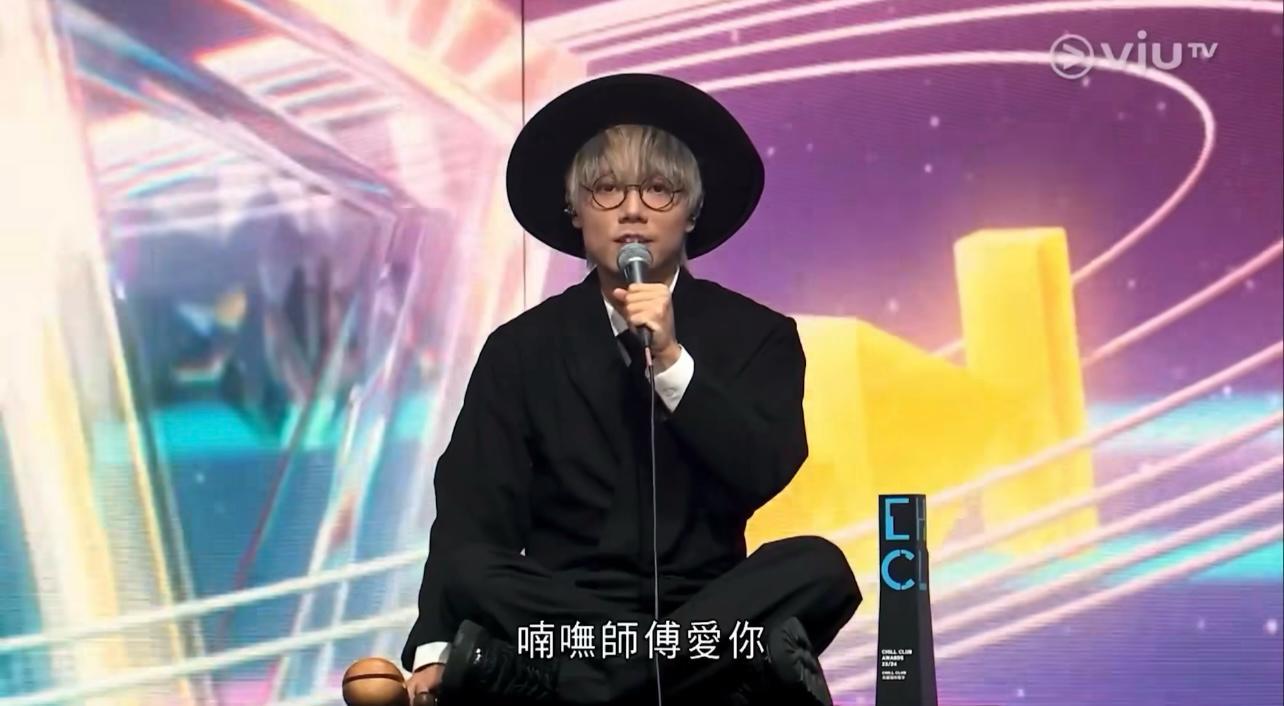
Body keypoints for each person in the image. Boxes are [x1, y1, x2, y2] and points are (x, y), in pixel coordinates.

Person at [401, 73, 861, 705]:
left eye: (660, 190)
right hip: (569, 617)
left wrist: (671, 360)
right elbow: (473, 508)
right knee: (470, 570)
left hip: (705, 607)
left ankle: (573, 687)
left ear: (692, 210)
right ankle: (708, 674)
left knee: (819, 567)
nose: (633, 209)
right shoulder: (520, 348)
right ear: (575, 209)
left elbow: (764, 467)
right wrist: (434, 647)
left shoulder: (759, 334)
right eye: (607, 189)